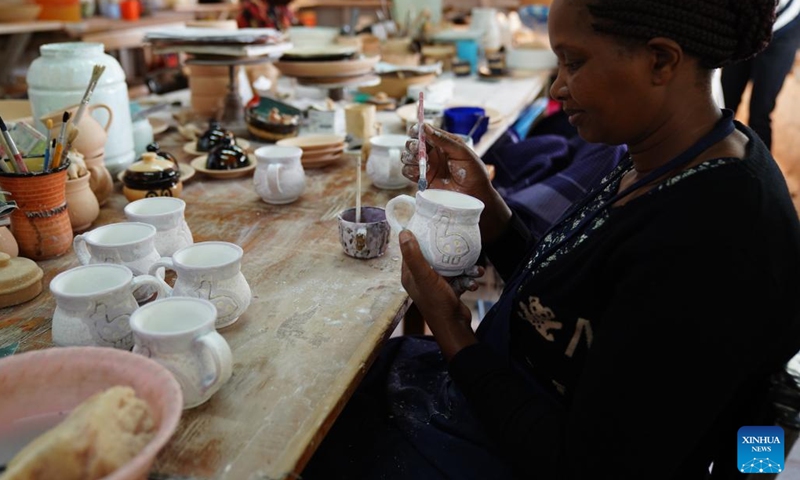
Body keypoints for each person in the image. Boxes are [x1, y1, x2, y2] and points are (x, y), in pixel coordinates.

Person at [302, 0, 800, 479]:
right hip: (503, 403)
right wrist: (490, 211)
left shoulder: (713, 238)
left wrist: (451, 327)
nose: (558, 87)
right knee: (324, 386)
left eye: (574, 62)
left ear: (661, 60)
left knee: (303, 438)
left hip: (524, 450)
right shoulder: (665, 154)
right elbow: (573, 309)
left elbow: (583, 465)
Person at [721, 0, 800, 150]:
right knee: (725, 103)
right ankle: (712, 160)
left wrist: (763, 29)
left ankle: (760, 170)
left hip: (784, 31)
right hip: (747, 23)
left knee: (760, 112)